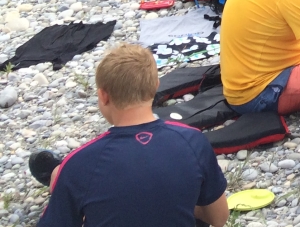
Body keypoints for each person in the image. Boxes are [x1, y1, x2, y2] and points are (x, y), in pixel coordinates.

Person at [32, 44, 229, 227]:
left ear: (103, 95)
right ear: (155, 86)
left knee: (65, 178)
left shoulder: (80, 162)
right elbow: (219, 218)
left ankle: (55, 177)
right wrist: (176, 199)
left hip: (80, 174)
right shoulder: (193, 142)